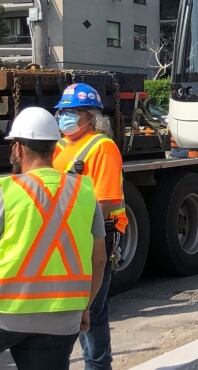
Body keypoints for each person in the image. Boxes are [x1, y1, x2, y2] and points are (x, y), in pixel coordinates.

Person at [0, 107, 107, 370]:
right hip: (63, 317)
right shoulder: (83, 191)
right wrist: (85, 306)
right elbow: (100, 259)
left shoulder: (6, 192)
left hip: (6, 313)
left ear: (18, 148)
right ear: (54, 147)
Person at [52, 83, 124, 370]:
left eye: (72, 112)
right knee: (70, 308)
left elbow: (104, 202)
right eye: (61, 112)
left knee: (92, 308)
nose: (64, 118)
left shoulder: (102, 147)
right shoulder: (58, 147)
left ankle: (97, 365)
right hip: (62, 237)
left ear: (90, 116)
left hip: (95, 236)